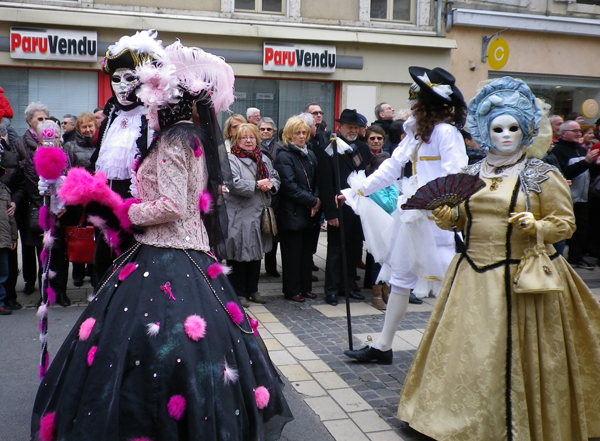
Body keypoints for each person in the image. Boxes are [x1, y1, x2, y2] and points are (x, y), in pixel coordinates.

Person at [31, 39, 292, 441]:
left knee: (151, 338)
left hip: (166, 252)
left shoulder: (172, 140)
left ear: (165, 104)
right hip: (191, 253)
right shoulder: (192, 137)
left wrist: (129, 210)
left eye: (151, 106)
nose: (147, 113)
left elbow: (171, 205)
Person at [397, 76, 600, 441]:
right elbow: (464, 218)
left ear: (524, 130)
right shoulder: (472, 172)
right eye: (497, 129)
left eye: (512, 128)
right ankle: (461, 419)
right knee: (470, 356)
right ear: (485, 131)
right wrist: (450, 218)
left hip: (523, 280)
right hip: (472, 276)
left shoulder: (541, 173)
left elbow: (565, 224)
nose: (505, 135)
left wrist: (536, 224)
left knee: (523, 360)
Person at [343, 66, 468, 363]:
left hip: (438, 221)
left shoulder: (446, 133)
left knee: (447, 284)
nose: (412, 105)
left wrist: (433, 199)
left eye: (417, 100)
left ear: (428, 105)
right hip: (411, 217)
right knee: (399, 279)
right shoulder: (415, 133)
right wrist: (357, 190)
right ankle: (383, 346)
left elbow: (455, 173)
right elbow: (391, 167)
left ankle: (458, 350)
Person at [90, 30, 163, 285]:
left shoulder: (153, 116)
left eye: (129, 78)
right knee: (102, 261)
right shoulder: (112, 114)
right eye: (116, 78)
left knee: (133, 266)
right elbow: (98, 160)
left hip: (138, 205)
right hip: (107, 204)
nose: (121, 86)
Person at [315, 108, 369, 306]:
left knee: (354, 250)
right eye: (349, 127)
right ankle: (331, 290)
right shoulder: (329, 149)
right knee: (336, 251)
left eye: (356, 127)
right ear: (340, 127)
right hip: (338, 208)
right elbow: (326, 183)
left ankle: (347, 287)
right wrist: (330, 212)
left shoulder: (362, 149)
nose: (353, 130)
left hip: (358, 208)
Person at [226, 123, 280, 307]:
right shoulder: (231, 159)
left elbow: (275, 177)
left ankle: (253, 290)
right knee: (238, 253)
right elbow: (233, 183)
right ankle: (238, 292)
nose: (248, 141)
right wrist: (257, 185)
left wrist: (271, 184)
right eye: (243, 137)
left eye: (251, 137)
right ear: (236, 140)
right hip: (239, 214)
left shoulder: (263, 158)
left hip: (258, 213)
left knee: (256, 253)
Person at [273, 116, 320, 302]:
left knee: (306, 254)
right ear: (289, 135)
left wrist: (316, 200)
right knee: (292, 254)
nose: (301, 136)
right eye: (297, 133)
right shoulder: (284, 155)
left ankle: (306, 287)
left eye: (303, 133)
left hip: (309, 211)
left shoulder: (311, 154)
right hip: (292, 212)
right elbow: (289, 187)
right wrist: (312, 201)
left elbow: (317, 180)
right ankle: (292, 290)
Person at [12, 102, 51, 295]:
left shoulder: (52, 140)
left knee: (44, 243)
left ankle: (45, 280)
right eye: (39, 119)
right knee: (28, 244)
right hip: (26, 201)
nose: (43, 122)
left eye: (46, 119)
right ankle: (28, 281)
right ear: (29, 121)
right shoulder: (19, 142)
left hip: (44, 199)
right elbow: (16, 169)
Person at [552, 120, 600, 269]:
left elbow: (587, 172)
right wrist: (586, 162)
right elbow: (564, 174)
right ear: (563, 133)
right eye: (575, 131)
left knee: (581, 228)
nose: (579, 133)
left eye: (579, 130)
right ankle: (557, 258)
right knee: (565, 228)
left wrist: (594, 164)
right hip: (567, 197)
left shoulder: (580, 149)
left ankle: (576, 257)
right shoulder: (558, 151)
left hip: (582, 197)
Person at [258, 117, 282, 278]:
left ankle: (271, 267)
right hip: (257, 195)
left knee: (273, 233)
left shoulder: (279, 148)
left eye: (269, 129)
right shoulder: (253, 146)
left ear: (273, 131)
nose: (266, 132)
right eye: (263, 129)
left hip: (275, 195)